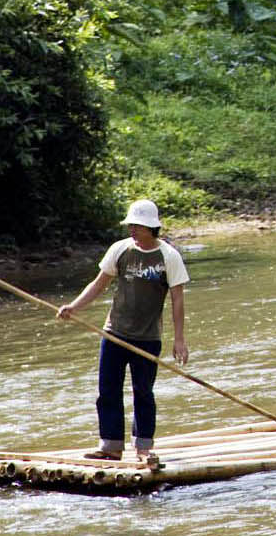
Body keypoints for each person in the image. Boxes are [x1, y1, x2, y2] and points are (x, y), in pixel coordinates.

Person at [57, 199, 190, 464]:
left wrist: (179, 339)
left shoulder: (169, 256)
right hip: (114, 333)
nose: (132, 230)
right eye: (131, 226)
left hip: (147, 337)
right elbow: (99, 284)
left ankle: (143, 448)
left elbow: (177, 299)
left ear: (151, 228)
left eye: (137, 226)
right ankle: (110, 446)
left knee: (143, 392)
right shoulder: (120, 249)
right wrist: (74, 307)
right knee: (107, 391)